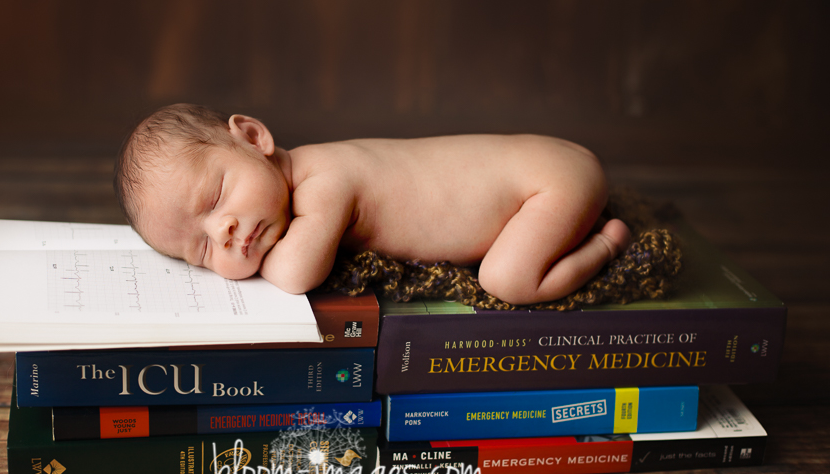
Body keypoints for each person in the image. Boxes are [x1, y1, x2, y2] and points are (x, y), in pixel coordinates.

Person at [114, 103, 632, 305]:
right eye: (201, 249)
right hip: (537, 161)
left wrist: (240, 262)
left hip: (549, 181)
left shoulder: (325, 181)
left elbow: (296, 274)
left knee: (507, 282)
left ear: (252, 137)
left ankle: (606, 248)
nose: (223, 231)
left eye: (215, 197)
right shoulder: (301, 189)